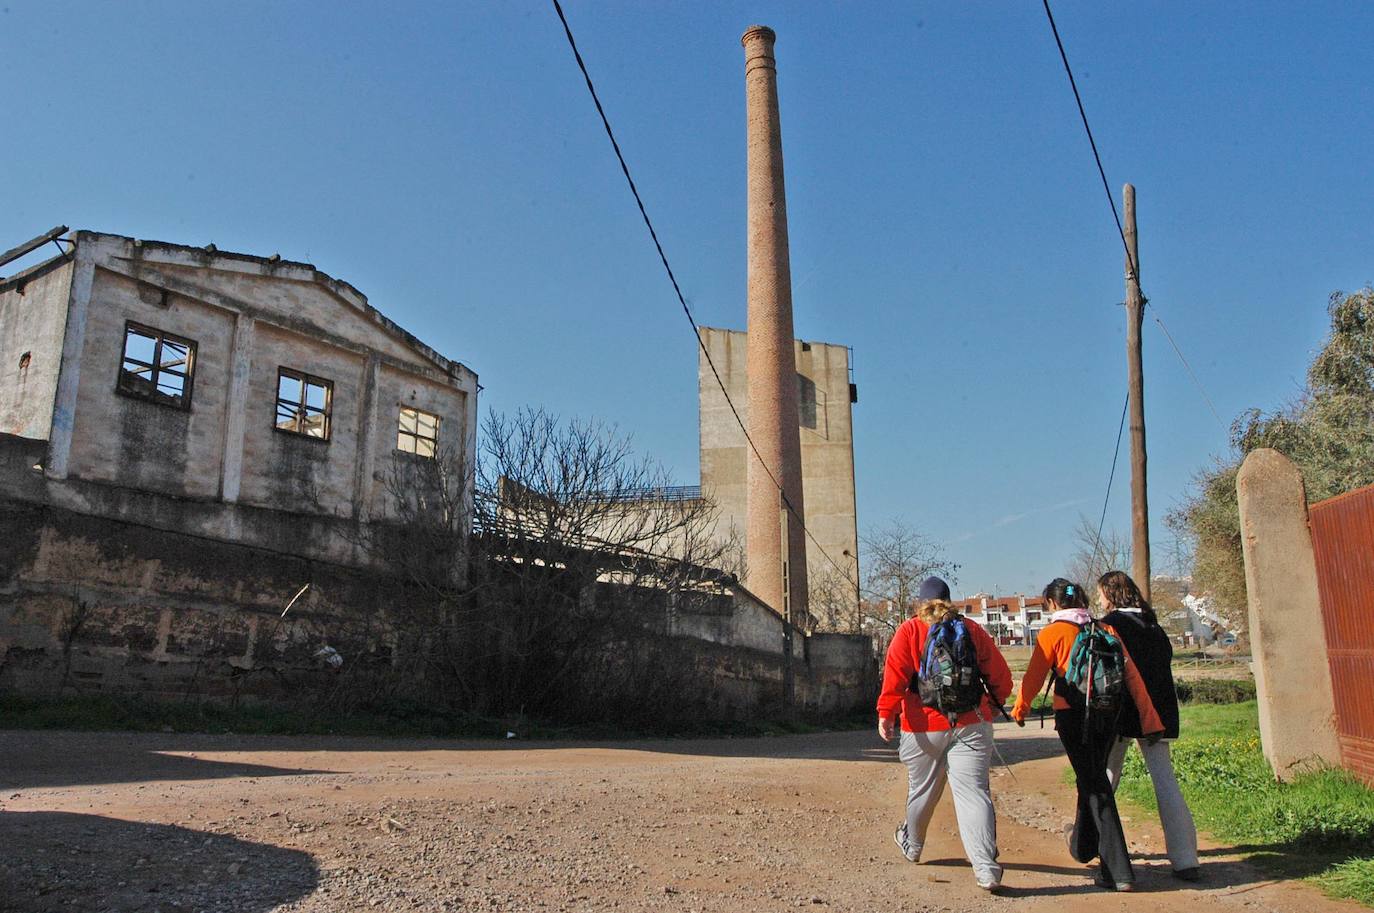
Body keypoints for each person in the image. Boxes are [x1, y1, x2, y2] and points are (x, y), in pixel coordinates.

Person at [1011, 577, 1164, 892]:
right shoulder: (1105, 630)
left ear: (1053, 604)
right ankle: (1082, 847)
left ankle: (1118, 871)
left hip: (1073, 716)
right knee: (1091, 776)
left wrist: (1020, 709)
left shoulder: (1053, 633)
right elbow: (1133, 677)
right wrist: (1150, 720)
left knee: (1096, 785)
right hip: (1108, 714)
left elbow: (1034, 677)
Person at [877, 575, 1014, 893]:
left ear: (920, 603)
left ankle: (913, 844)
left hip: (923, 726)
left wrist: (886, 714)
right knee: (973, 794)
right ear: (949, 601)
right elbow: (1001, 678)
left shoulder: (909, 630)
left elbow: (894, 678)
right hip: (972, 722)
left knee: (922, 791)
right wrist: (994, 705)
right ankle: (986, 869)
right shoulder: (972, 630)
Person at [1097, 570, 1201, 882]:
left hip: (1121, 712)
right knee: (1165, 782)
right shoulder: (1153, 624)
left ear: (1111, 595)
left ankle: (1090, 843)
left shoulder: (1109, 625)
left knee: (1103, 780)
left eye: (1101, 593)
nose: (1099, 599)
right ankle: (1186, 859)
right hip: (1159, 713)